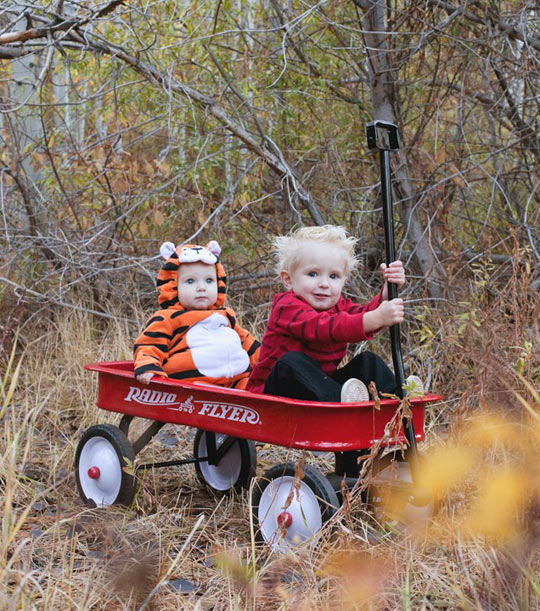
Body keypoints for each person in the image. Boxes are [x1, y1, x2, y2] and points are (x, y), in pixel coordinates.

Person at [247, 225, 423, 402]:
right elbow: (324, 328)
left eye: (333, 276)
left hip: (319, 391)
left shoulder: (338, 306)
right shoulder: (286, 307)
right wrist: (376, 318)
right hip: (271, 397)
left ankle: (398, 400)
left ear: (344, 282)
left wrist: (385, 295)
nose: (324, 283)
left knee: (367, 361)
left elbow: (360, 315)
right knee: (290, 362)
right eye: (312, 274)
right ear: (288, 279)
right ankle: (341, 402)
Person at [134, 240, 260, 389]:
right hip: (191, 385)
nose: (201, 287)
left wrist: (268, 361)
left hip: (236, 382)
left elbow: (248, 343)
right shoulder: (167, 318)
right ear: (173, 286)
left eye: (209, 280)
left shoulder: (227, 316)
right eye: (190, 281)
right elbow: (150, 344)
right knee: (197, 393)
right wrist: (148, 366)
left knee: (261, 389)